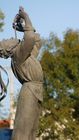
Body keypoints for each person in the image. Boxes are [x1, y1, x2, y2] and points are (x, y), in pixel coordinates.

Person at [0, 7, 43, 140]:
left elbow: (36, 40)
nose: (10, 37)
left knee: (31, 133)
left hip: (35, 91)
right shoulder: (19, 55)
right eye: (6, 40)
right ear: (9, 49)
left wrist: (22, 28)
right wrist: (25, 16)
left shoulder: (26, 55)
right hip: (30, 92)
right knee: (23, 133)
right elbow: (29, 38)